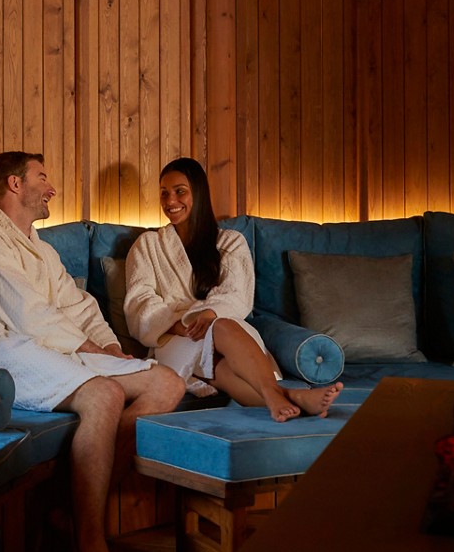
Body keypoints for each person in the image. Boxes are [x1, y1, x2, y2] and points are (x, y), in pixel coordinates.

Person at [0, 151, 185, 552]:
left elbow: (79, 306)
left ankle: (70, 513)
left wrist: (111, 349)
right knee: (104, 395)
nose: (51, 187)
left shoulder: (40, 247)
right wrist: (94, 355)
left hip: (54, 345)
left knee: (166, 382)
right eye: (42, 177)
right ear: (14, 184)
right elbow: (26, 314)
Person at [124, 156, 342, 422]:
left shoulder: (230, 242)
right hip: (173, 338)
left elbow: (237, 294)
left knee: (223, 339)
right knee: (213, 357)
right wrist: (182, 325)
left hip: (227, 331)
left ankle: (282, 398)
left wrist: (208, 315)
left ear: (199, 193)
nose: (170, 202)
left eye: (180, 192)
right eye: (164, 193)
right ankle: (284, 395)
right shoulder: (147, 245)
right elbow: (140, 302)